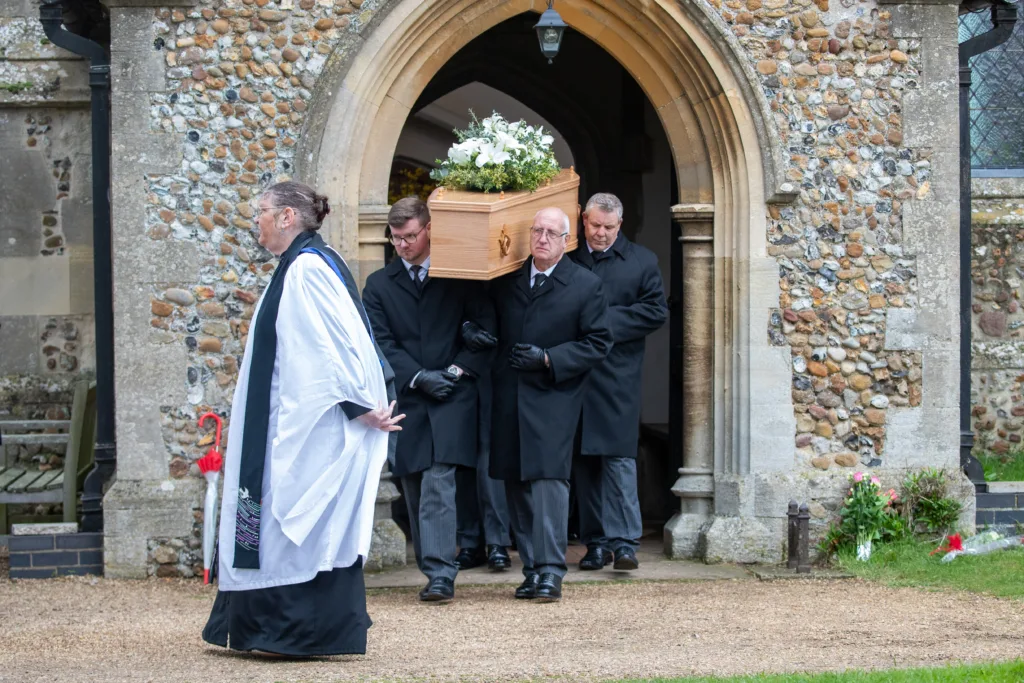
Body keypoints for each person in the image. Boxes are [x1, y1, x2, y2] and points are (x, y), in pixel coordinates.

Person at [202, 181, 404, 657]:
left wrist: (358, 404)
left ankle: (293, 633)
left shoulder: (308, 268)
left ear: (288, 217)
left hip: (305, 424)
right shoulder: (302, 262)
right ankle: (264, 630)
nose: (257, 221)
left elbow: (331, 347)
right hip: (281, 418)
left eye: (263, 212)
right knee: (271, 522)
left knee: (289, 522)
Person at [362, 197, 498, 603]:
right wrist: (420, 377)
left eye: (409, 236)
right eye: (395, 237)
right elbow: (379, 343)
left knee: (439, 480)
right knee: (415, 484)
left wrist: (453, 373)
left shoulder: (459, 275)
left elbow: (486, 330)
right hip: (409, 398)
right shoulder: (379, 285)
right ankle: (434, 565)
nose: (401, 245)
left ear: (429, 230)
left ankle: (440, 573)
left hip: (453, 396)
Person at [487, 207, 612, 602]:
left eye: (550, 233)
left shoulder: (585, 284)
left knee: (548, 484)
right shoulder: (506, 280)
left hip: (555, 396)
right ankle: (531, 568)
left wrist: (548, 359)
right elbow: (493, 327)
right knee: (515, 482)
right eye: (537, 231)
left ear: (566, 240)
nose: (541, 238)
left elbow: (598, 343)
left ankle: (552, 570)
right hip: (510, 393)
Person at [570, 193, 668, 571]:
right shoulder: (570, 258)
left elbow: (655, 311)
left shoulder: (642, 261)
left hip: (618, 375)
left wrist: (599, 323)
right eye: (595, 225)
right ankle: (595, 544)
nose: (601, 234)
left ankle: (625, 542)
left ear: (619, 226)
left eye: (609, 227)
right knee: (584, 463)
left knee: (619, 459)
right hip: (577, 374)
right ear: (583, 220)